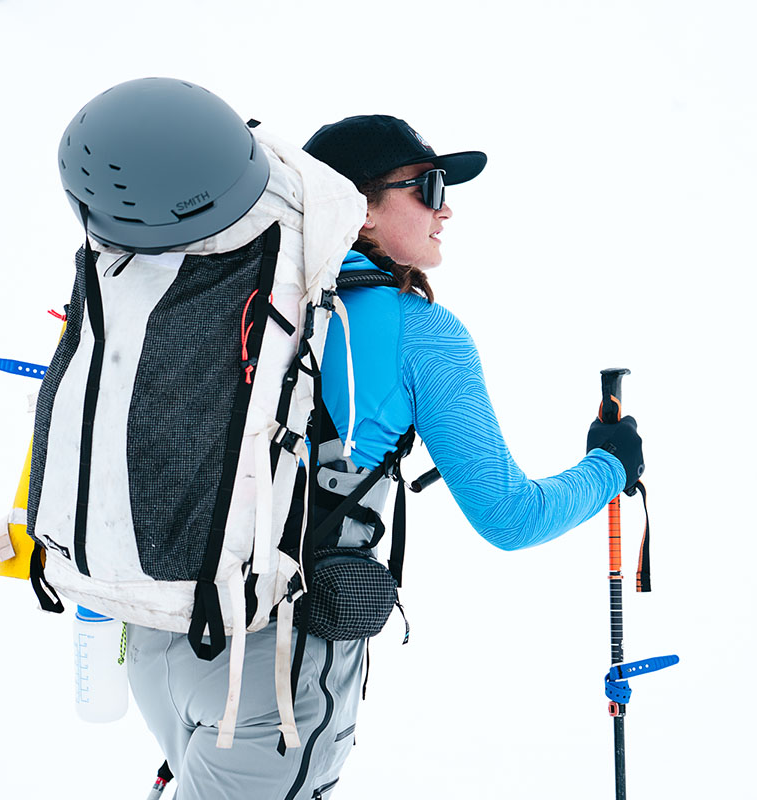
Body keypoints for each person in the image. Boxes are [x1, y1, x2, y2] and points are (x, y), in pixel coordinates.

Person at [126, 114, 644, 800]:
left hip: (158, 645)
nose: (446, 206)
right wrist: (611, 468)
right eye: (427, 187)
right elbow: (510, 518)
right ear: (360, 208)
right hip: (272, 684)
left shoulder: (229, 301)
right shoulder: (420, 332)